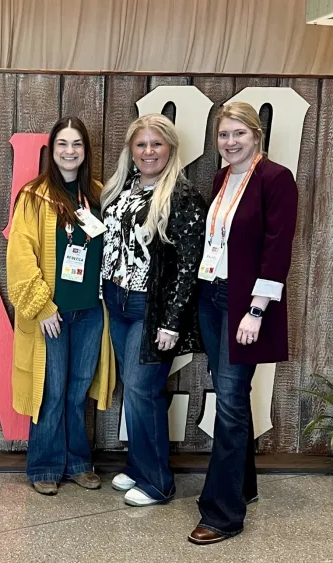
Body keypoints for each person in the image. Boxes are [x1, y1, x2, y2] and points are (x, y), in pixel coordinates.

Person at [189, 102, 298, 544]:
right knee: (232, 394)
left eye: (238, 134)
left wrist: (256, 310)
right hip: (214, 295)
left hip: (245, 304)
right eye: (223, 135)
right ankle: (244, 486)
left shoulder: (275, 179)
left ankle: (222, 514)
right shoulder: (221, 178)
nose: (230, 142)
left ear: (256, 135)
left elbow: (278, 249)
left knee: (230, 401)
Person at [100, 114, 206, 507]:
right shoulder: (122, 189)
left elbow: (188, 266)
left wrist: (172, 322)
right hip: (117, 299)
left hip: (151, 306)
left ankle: (159, 482)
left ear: (170, 149)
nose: (148, 152)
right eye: (141, 144)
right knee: (134, 388)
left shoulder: (182, 196)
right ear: (132, 149)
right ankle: (140, 466)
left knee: (143, 389)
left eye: (156, 144)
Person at [6, 116, 115, 496]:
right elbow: (20, 256)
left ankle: (79, 463)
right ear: (52, 152)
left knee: (77, 390)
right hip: (51, 314)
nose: (70, 152)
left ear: (86, 151)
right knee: (51, 390)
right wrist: (42, 306)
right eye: (62, 144)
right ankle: (45, 464)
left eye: (77, 145)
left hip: (89, 312)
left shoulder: (100, 195)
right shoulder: (34, 196)